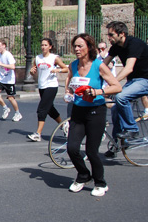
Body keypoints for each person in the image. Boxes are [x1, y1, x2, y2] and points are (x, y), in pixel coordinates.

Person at [65, 34, 121, 197]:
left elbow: (117, 86)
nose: (76, 49)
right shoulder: (73, 65)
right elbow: (70, 82)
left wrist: (98, 92)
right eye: (75, 46)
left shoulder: (99, 66)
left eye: (80, 46)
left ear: (89, 47)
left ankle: (100, 182)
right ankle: (83, 175)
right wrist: (68, 92)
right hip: (78, 111)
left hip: (96, 111)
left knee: (91, 151)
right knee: (72, 148)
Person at [101, 21, 148, 145]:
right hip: (133, 81)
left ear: (121, 34)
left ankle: (132, 129)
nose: (109, 38)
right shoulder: (116, 46)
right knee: (116, 108)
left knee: (121, 96)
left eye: (111, 35)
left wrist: (113, 84)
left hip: (145, 80)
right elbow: (103, 65)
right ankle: (117, 143)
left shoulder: (135, 44)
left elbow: (128, 68)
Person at [27, 38, 68, 141]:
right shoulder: (37, 58)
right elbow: (34, 71)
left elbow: (66, 68)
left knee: (42, 109)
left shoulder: (54, 58)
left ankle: (38, 134)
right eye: (42, 45)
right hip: (42, 86)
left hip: (52, 86)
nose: (43, 47)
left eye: (45, 45)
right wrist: (32, 71)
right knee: (49, 108)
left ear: (50, 47)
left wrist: (57, 70)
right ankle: (64, 125)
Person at [0, 38, 22, 121]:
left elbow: (13, 67)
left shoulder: (8, 55)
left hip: (9, 80)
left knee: (11, 98)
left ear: (4, 46)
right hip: (1, 79)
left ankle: (17, 113)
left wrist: (1, 64)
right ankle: (5, 108)